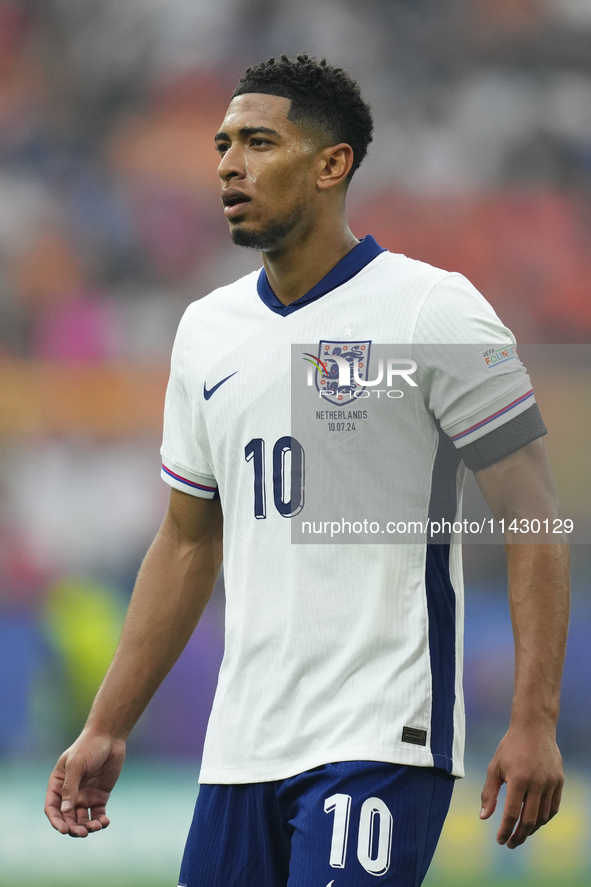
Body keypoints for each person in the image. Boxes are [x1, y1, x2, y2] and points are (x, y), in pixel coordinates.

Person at [45, 55, 569, 887]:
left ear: (332, 165)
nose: (227, 162)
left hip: (378, 735)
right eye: (222, 144)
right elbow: (186, 542)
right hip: (241, 745)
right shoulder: (206, 330)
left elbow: (533, 514)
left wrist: (533, 716)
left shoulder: (432, 309)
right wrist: (107, 722)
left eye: (257, 141)